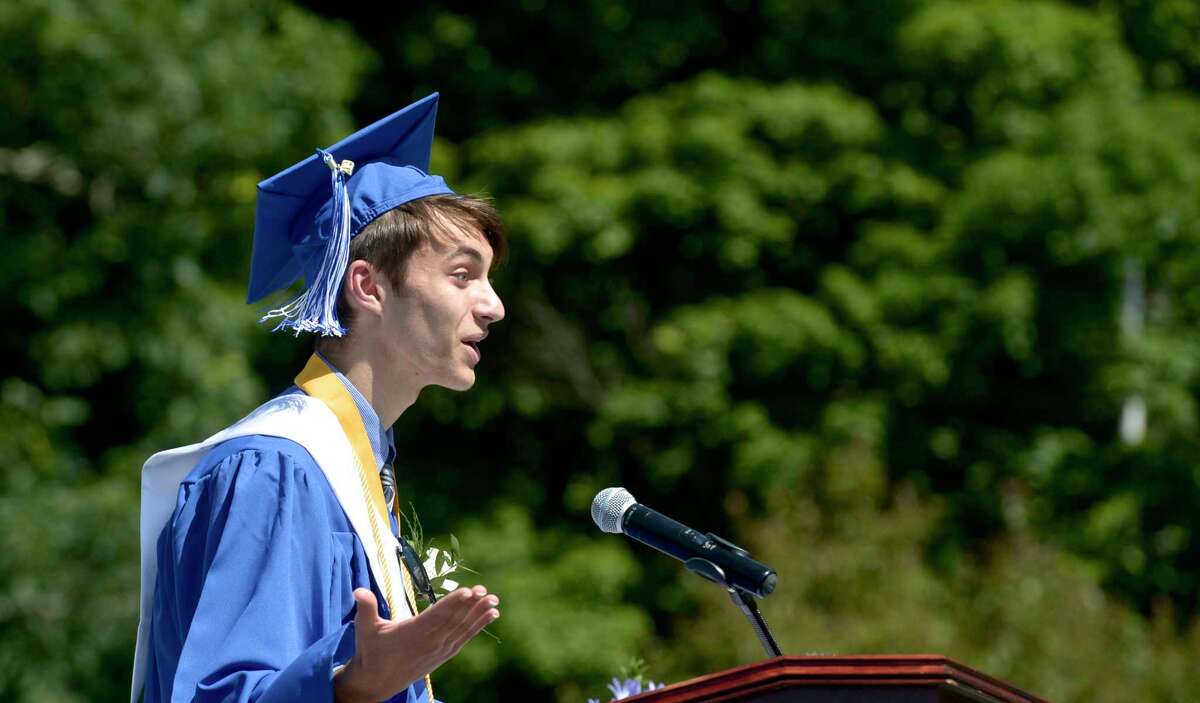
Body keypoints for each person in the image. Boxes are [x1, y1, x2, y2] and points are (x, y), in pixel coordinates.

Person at [132, 93, 505, 703]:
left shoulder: (355, 470)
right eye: (463, 275)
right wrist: (356, 686)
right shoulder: (275, 468)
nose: (494, 307)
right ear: (367, 286)